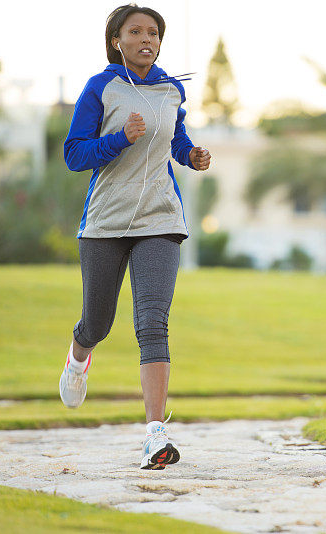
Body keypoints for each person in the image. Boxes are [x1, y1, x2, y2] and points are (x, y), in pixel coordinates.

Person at [59, 3, 211, 470]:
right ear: (116, 41)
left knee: (152, 321)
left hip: (161, 220)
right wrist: (120, 138)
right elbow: (73, 154)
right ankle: (79, 354)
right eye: (136, 32)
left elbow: (175, 140)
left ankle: (154, 434)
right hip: (105, 221)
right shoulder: (99, 87)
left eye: (154, 33)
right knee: (98, 322)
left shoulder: (172, 89)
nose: (147, 39)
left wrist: (192, 156)